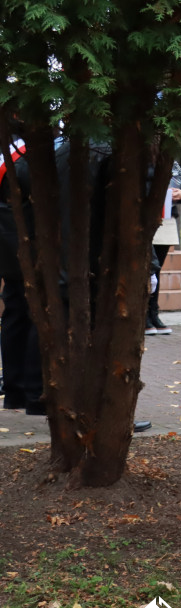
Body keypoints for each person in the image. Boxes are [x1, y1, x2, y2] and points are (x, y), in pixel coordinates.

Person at [0, 133, 43, 414]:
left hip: (9, 244)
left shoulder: (9, 156)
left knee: (15, 314)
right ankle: (32, 392)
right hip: (27, 244)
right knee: (32, 315)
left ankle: (14, 391)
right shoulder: (26, 157)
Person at [146, 160, 181, 335]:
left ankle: (153, 314)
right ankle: (143, 316)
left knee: (156, 271)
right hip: (146, 220)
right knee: (147, 270)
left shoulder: (172, 160)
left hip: (166, 221)